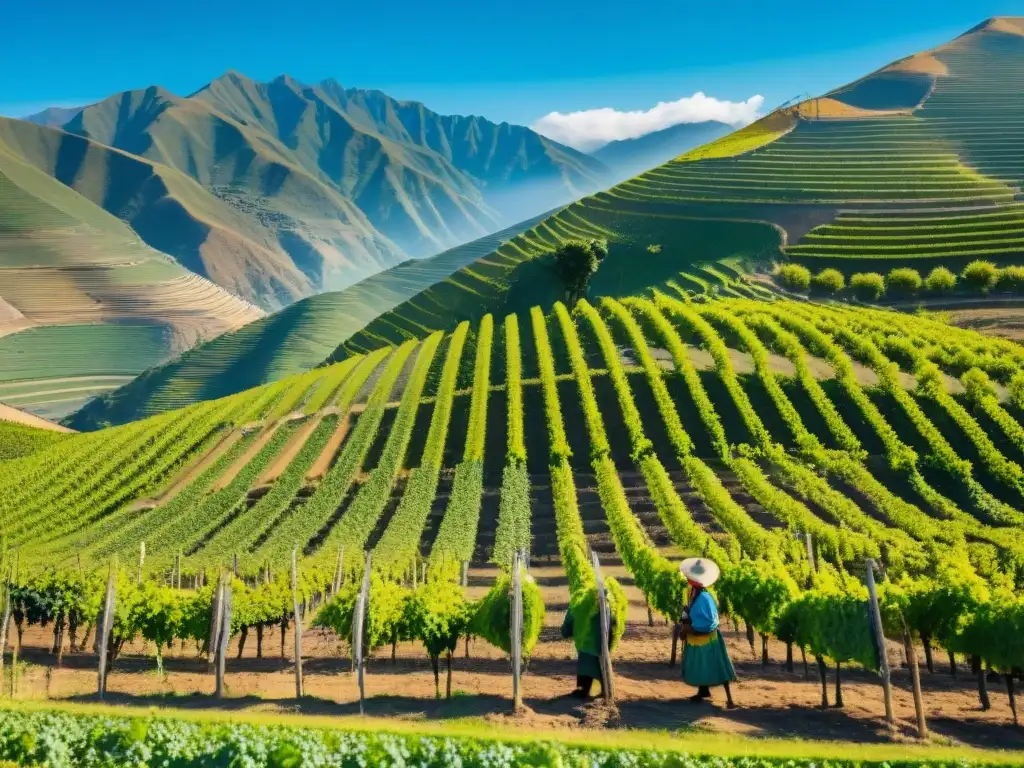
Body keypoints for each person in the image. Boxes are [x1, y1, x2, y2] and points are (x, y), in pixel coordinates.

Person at [678, 557, 736, 708]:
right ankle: (703, 691)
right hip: (697, 637)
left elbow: (708, 620)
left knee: (718, 667)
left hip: (707, 638)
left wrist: (690, 626)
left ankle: (729, 699)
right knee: (701, 665)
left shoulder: (703, 597)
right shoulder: (695, 593)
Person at [560, 607, 604, 699]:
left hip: (586, 642)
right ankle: (603, 689)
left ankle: (584, 690)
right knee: (600, 664)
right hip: (602, 641)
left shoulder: (579, 602)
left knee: (586, 663)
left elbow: (569, 621)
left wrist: (565, 631)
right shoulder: (607, 602)